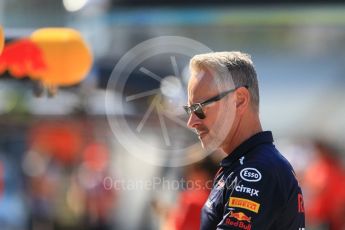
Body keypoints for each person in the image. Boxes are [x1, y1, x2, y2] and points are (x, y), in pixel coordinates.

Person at [183, 52, 305, 229]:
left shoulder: (256, 170)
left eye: (199, 108)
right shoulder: (244, 165)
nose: (191, 122)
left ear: (239, 100)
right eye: (189, 110)